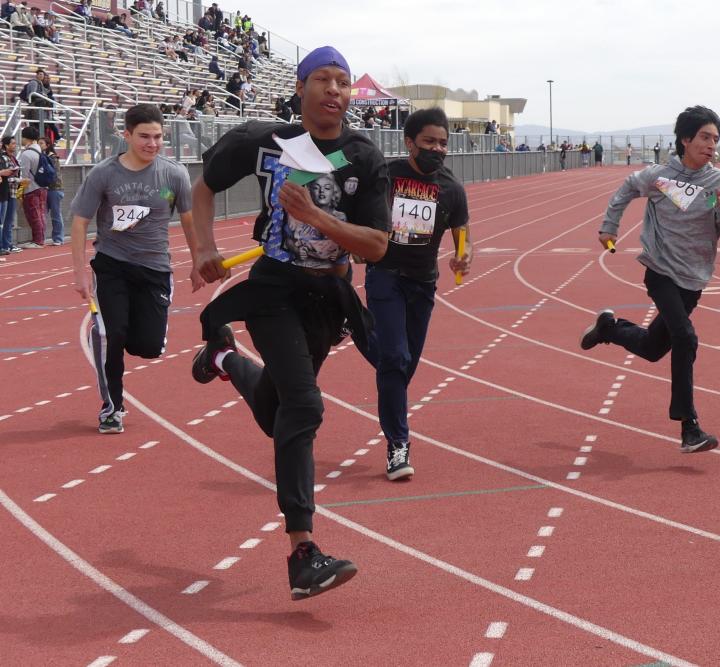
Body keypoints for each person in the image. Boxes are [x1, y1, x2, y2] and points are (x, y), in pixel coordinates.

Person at [186, 46, 389, 601]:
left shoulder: (363, 158)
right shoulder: (262, 142)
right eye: (321, 79)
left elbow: (376, 245)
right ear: (299, 88)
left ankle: (223, 359)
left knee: (279, 408)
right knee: (305, 406)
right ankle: (303, 550)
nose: (333, 89)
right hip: (272, 290)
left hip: (326, 299)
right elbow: (201, 188)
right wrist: (202, 246)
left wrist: (317, 217)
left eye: (342, 81)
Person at [579, 105, 720, 452]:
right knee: (685, 337)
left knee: (654, 349)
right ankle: (689, 427)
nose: (711, 144)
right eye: (704, 137)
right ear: (685, 139)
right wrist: (609, 226)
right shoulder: (659, 176)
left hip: (694, 279)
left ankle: (609, 328)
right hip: (660, 271)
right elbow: (626, 188)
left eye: (715, 138)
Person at [359, 108, 471, 480]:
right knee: (394, 356)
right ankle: (398, 445)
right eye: (429, 142)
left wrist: (462, 254)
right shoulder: (387, 176)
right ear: (410, 143)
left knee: (402, 366)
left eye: (442, 143)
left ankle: (354, 325)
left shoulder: (452, 188)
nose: (437, 149)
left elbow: (462, 232)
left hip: (423, 282)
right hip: (385, 275)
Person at [70, 104, 194, 433]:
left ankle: (128, 333)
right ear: (126, 135)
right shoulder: (104, 174)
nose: (152, 144)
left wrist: (198, 261)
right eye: (144, 137)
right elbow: (80, 223)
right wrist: (81, 271)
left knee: (148, 347)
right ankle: (112, 407)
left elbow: (187, 218)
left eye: (158, 137)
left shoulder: (174, 174)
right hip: (113, 264)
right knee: (111, 334)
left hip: (154, 268)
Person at [16, 126, 48, 249]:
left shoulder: (27, 154)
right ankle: (41, 239)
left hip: (31, 188)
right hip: (42, 187)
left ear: (26, 138)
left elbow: (24, 176)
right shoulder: (40, 151)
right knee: (41, 214)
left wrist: (17, 184)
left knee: (33, 214)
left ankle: (37, 241)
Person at [36, 137, 63, 245]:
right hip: (46, 188)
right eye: (38, 143)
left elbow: (53, 174)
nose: (39, 145)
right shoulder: (43, 156)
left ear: (47, 145)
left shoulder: (52, 157)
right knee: (43, 214)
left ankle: (58, 238)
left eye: (41, 143)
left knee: (55, 214)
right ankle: (41, 238)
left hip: (54, 189)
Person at [0, 136, 19, 256]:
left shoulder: (12, 158)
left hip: (9, 191)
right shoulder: (3, 157)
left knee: (8, 220)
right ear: (6, 145)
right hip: (5, 191)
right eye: (12, 143)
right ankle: (4, 245)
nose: (15, 145)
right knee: (3, 220)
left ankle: (6, 244)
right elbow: (5, 173)